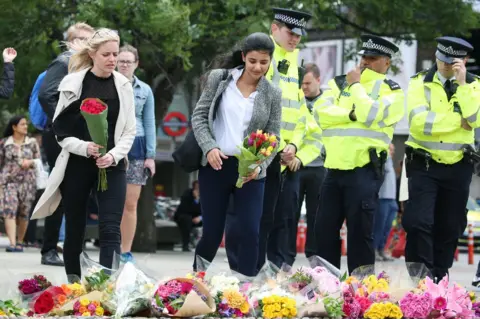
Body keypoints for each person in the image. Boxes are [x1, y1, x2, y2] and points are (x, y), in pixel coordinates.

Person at [31, 28, 136, 278]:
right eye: (106, 54)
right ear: (92, 54)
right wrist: (84, 147)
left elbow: (130, 130)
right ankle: (74, 285)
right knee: (75, 226)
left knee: (111, 227)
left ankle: (107, 285)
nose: (112, 60)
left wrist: (114, 155)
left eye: (115, 54)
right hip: (77, 163)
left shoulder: (124, 85)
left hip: (112, 164)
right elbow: (60, 131)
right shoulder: (72, 82)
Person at [191, 32, 282, 277]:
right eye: (252, 61)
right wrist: (209, 147)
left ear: (270, 61)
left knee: (250, 231)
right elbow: (199, 117)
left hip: (250, 172)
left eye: (264, 62)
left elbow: (274, 135)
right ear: (243, 57)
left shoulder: (272, 93)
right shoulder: (219, 79)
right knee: (212, 232)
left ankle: (245, 288)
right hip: (216, 166)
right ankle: (195, 280)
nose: (258, 67)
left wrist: (260, 166)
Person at [313, 34, 405, 274]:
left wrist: (355, 89)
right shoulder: (338, 83)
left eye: (372, 58)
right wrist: (350, 114)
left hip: (364, 171)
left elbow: (371, 115)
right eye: (363, 57)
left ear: (387, 63)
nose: (365, 63)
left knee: (360, 233)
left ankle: (360, 291)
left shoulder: (392, 92)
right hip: (333, 170)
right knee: (323, 231)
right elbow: (321, 113)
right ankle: (327, 286)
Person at [403, 36, 480, 282]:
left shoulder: (475, 86)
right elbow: (418, 124)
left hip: (459, 165)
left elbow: (476, 119)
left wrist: (463, 85)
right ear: (436, 56)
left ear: (464, 61)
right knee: (418, 222)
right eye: (442, 60)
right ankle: (422, 278)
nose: (445, 66)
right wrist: (459, 122)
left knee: (451, 226)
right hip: (423, 163)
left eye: (452, 62)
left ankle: (439, 276)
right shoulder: (418, 83)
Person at [253, 8, 322, 271]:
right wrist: (280, 147)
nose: (295, 39)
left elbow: (301, 116)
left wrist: (295, 147)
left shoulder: (295, 64)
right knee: (261, 220)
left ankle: (279, 276)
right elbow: (259, 110)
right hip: (263, 155)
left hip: (286, 158)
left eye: (298, 35)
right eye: (290, 33)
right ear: (274, 29)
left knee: (284, 220)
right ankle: (255, 273)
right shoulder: (263, 59)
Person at [38, 22, 95, 266]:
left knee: (78, 191)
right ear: (70, 42)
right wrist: (64, 124)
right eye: (80, 38)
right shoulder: (64, 62)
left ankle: (74, 248)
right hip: (59, 137)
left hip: (79, 139)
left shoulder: (87, 67)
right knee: (59, 190)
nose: (84, 43)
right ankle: (49, 249)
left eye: (89, 39)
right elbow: (46, 95)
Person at [116, 44, 156, 261]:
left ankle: (125, 250)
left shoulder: (145, 90)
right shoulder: (106, 84)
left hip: (137, 146)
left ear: (136, 64)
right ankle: (109, 247)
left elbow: (149, 122)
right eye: (120, 61)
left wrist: (151, 155)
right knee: (110, 202)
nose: (124, 65)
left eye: (128, 61)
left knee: (130, 203)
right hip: (112, 146)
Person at [286, 63, 326, 265]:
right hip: (294, 165)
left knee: (316, 215)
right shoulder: (294, 100)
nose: (304, 87)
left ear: (319, 80)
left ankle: (314, 258)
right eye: (301, 83)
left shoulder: (329, 101)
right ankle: (286, 258)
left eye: (308, 83)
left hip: (319, 167)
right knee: (289, 212)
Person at [0, 116, 40, 251]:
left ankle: (19, 241)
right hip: (8, 182)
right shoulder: (4, 143)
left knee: (24, 212)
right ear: (14, 127)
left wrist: (31, 162)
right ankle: (12, 243)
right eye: (22, 124)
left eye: (26, 124)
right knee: (9, 210)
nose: (25, 126)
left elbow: (38, 161)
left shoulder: (32, 142)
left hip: (28, 183)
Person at [373, 143, 398, 261]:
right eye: (390, 149)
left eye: (392, 150)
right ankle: (374, 250)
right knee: (379, 226)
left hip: (391, 198)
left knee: (387, 227)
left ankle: (381, 248)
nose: (391, 152)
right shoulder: (384, 161)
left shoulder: (391, 163)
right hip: (382, 198)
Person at [174, 181, 202, 252]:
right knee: (186, 220)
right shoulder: (187, 194)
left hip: (199, 218)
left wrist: (201, 217)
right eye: (196, 188)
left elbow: (208, 209)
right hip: (185, 217)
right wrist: (196, 199)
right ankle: (186, 244)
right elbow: (186, 208)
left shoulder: (206, 194)